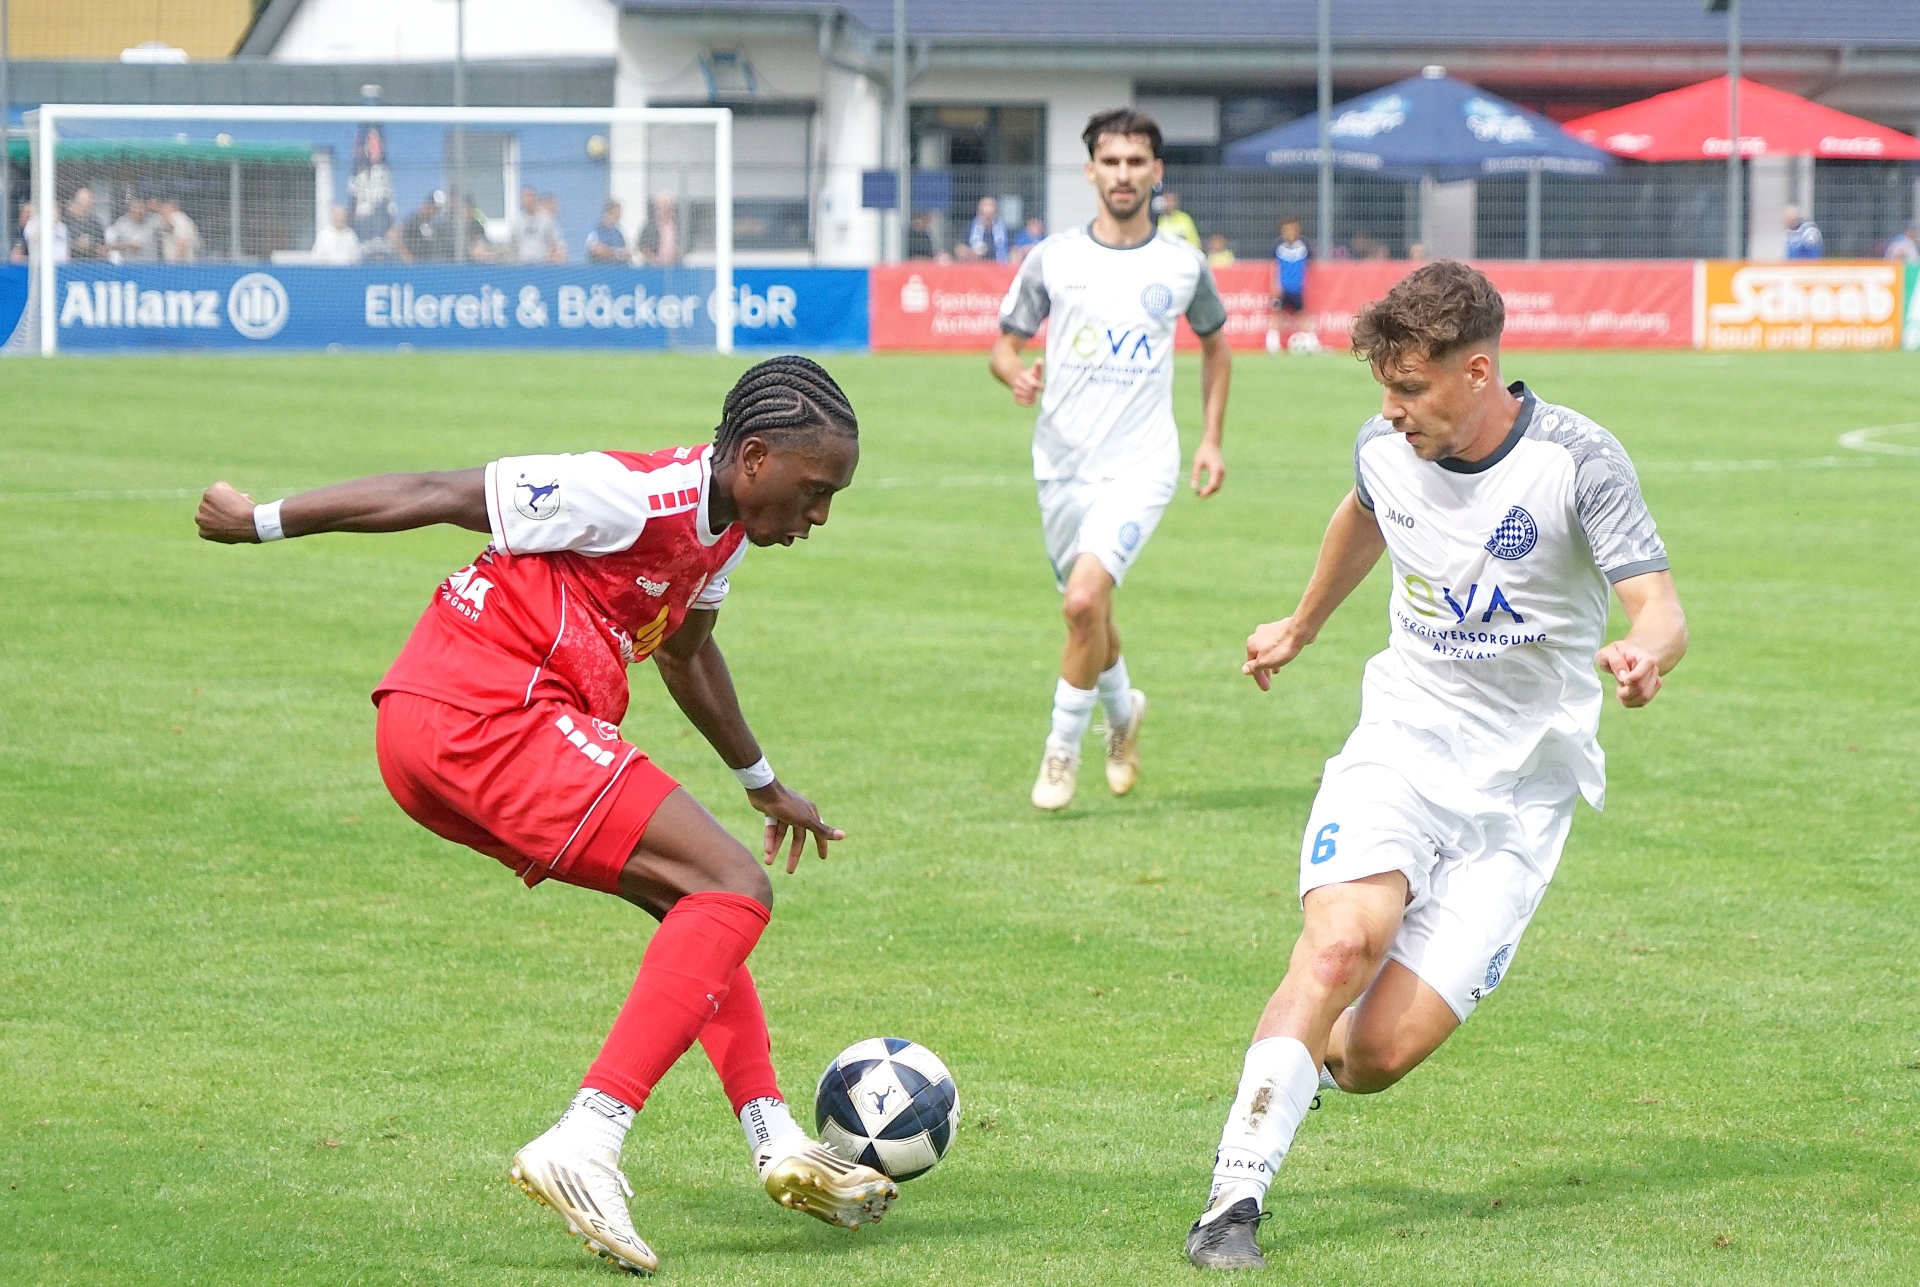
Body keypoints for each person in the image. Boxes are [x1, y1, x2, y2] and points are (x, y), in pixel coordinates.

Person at [192, 357, 899, 1277]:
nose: (821, 515)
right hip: (481, 711)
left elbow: (686, 655)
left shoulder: (721, 535)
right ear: (755, 458)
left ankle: (775, 1139)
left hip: (453, 729)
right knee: (733, 884)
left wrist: (760, 780)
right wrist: (258, 520)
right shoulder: (629, 494)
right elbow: (440, 492)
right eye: (815, 490)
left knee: (698, 907)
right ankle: (587, 1136)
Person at [1185, 260, 1688, 1270]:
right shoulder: (1385, 447)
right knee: (1338, 947)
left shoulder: (1577, 462)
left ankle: (1298, 1062)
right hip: (1403, 743)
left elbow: (1661, 608)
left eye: (1410, 388)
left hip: (1522, 796)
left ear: (1477, 372)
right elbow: (1364, 514)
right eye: (1384, 387)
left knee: (1374, 1055)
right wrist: (1301, 624)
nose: (1391, 410)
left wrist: (1645, 656)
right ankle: (1232, 1197)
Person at [990, 108, 1232, 811]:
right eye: (1111, 161)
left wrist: (1211, 438)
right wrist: (1015, 375)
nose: (1124, 174)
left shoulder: (1181, 264)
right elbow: (1004, 346)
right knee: (1089, 613)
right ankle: (1124, 713)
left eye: (1136, 161)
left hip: (1142, 463)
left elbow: (1216, 347)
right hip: (1061, 463)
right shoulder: (1053, 258)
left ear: (1157, 171)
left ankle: (1060, 752)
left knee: (1081, 601)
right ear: (1091, 171)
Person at [1266, 217, 1309, 355]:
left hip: (1297, 288)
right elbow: (1274, 266)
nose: (1289, 233)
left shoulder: (1304, 246)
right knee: (1276, 314)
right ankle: (1273, 343)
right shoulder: (1278, 247)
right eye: (1286, 230)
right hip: (1282, 288)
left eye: (1291, 229)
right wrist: (1275, 284)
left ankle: (1309, 341)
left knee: (1302, 314)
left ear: (1297, 230)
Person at [512, 185, 564, 264]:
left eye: (530, 196)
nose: (528, 199)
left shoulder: (546, 219)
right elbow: (513, 244)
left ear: (535, 198)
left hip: (542, 264)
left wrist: (555, 255)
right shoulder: (517, 221)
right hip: (522, 264)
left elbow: (556, 242)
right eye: (525, 197)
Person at [394, 194, 452, 263]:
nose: (434, 211)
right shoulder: (412, 221)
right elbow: (396, 238)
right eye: (433, 207)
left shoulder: (436, 225)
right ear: (427, 204)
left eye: (437, 209)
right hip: (417, 265)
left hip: (431, 264)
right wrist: (409, 259)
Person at [105, 196, 164, 261]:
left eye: (141, 207)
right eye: (136, 207)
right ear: (130, 208)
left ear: (146, 208)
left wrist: (158, 209)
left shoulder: (153, 219)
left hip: (151, 264)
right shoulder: (121, 223)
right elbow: (110, 244)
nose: (139, 211)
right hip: (130, 265)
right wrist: (126, 247)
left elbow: (168, 223)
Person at [637, 194, 681, 266]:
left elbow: (684, 244)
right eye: (663, 206)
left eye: (667, 206)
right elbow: (641, 245)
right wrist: (652, 258)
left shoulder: (676, 226)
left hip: (673, 267)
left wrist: (678, 252)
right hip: (654, 267)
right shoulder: (650, 226)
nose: (665, 209)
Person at [964, 196, 1009, 263]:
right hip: (975, 264)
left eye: (991, 206)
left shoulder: (1004, 229)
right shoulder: (970, 227)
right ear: (979, 211)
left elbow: (1012, 248)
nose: (988, 209)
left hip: (998, 265)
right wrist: (971, 252)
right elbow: (960, 248)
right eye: (985, 205)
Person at [65, 188, 106, 260]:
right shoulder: (65, 222)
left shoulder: (95, 223)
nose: (87, 206)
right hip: (70, 262)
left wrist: (93, 246)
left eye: (90, 202)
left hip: (92, 262)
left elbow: (102, 247)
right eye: (82, 202)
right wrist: (76, 245)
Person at [157, 198, 201, 263]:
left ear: (172, 209)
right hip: (178, 263)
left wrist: (176, 263)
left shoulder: (179, 219)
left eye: (165, 209)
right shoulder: (171, 222)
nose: (163, 213)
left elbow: (183, 242)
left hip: (181, 265)